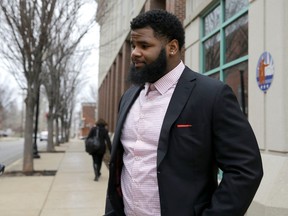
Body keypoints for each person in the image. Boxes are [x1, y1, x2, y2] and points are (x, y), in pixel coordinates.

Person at [105, 9, 263, 216]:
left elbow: (245, 169)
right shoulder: (129, 97)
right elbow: (121, 165)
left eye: (144, 45)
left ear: (172, 47)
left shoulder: (211, 95)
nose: (135, 52)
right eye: (134, 45)